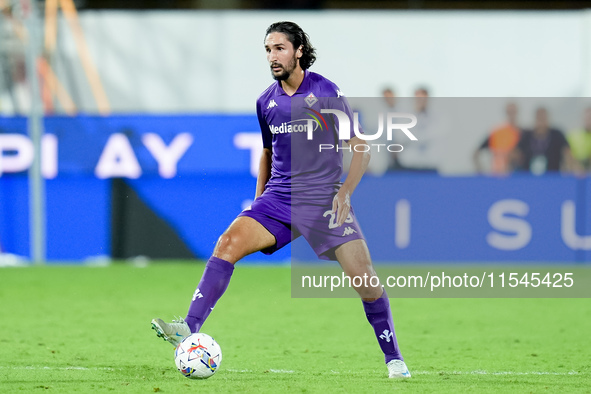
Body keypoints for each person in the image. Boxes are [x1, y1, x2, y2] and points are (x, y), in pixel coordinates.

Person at [151, 21, 410, 379]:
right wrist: (257, 204)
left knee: (365, 281)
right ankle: (189, 327)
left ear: (298, 50)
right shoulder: (266, 102)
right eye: (268, 50)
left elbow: (360, 148)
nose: (272, 57)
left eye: (279, 49)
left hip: (323, 201)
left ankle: (394, 358)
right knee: (227, 242)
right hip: (279, 199)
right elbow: (267, 154)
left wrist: (346, 193)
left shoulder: (326, 92)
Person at [513, 107, 574, 174]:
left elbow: (567, 153)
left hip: (552, 176)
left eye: (543, 118)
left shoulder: (557, 135)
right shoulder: (527, 135)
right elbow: (516, 153)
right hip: (529, 177)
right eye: (539, 118)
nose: (541, 121)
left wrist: (573, 168)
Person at [473, 102, 521, 175]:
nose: (512, 114)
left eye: (513, 111)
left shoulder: (523, 133)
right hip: (497, 174)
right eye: (509, 112)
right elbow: (476, 153)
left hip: (517, 175)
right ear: (506, 113)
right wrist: (480, 172)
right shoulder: (497, 132)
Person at [567, 107, 591, 172]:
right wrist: (576, 166)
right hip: (575, 172)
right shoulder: (573, 135)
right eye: (588, 118)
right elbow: (567, 154)